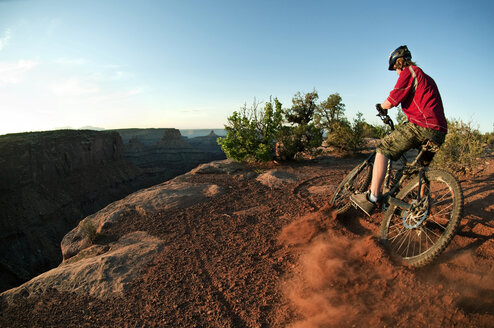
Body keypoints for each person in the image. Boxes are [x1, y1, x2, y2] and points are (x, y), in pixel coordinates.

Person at [350, 45, 448, 216]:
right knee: (420, 170)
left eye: (394, 68)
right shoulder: (428, 78)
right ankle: (420, 208)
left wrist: (381, 107)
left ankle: (372, 197)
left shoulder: (410, 71)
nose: (395, 73)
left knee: (383, 149)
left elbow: (392, 100)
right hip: (439, 132)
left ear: (398, 63)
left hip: (422, 126)